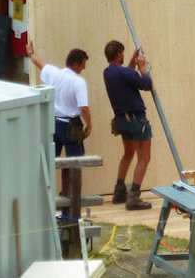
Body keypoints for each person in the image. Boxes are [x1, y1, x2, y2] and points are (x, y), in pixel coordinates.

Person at [25, 40, 92, 197]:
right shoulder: (78, 82)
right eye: (83, 64)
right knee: (74, 164)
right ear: (76, 64)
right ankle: (71, 202)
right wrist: (89, 125)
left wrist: (30, 54)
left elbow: (40, 64)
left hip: (54, 124)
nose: (84, 68)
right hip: (72, 126)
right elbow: (84, 108)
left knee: (51, 161)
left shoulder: (55, 74)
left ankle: (48, 198)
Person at [102, 40, 154, 210]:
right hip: (136, 119)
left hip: (122, 121)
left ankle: (119, 192)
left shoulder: (108, 72)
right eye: (122, 53)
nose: (124, 56)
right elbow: (147, 84)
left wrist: (132, 61)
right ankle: (134, 197)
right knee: (144, 157)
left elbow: (126, 75)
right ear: (118, 54)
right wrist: (142, 67)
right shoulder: (124, 73)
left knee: (128, 153)